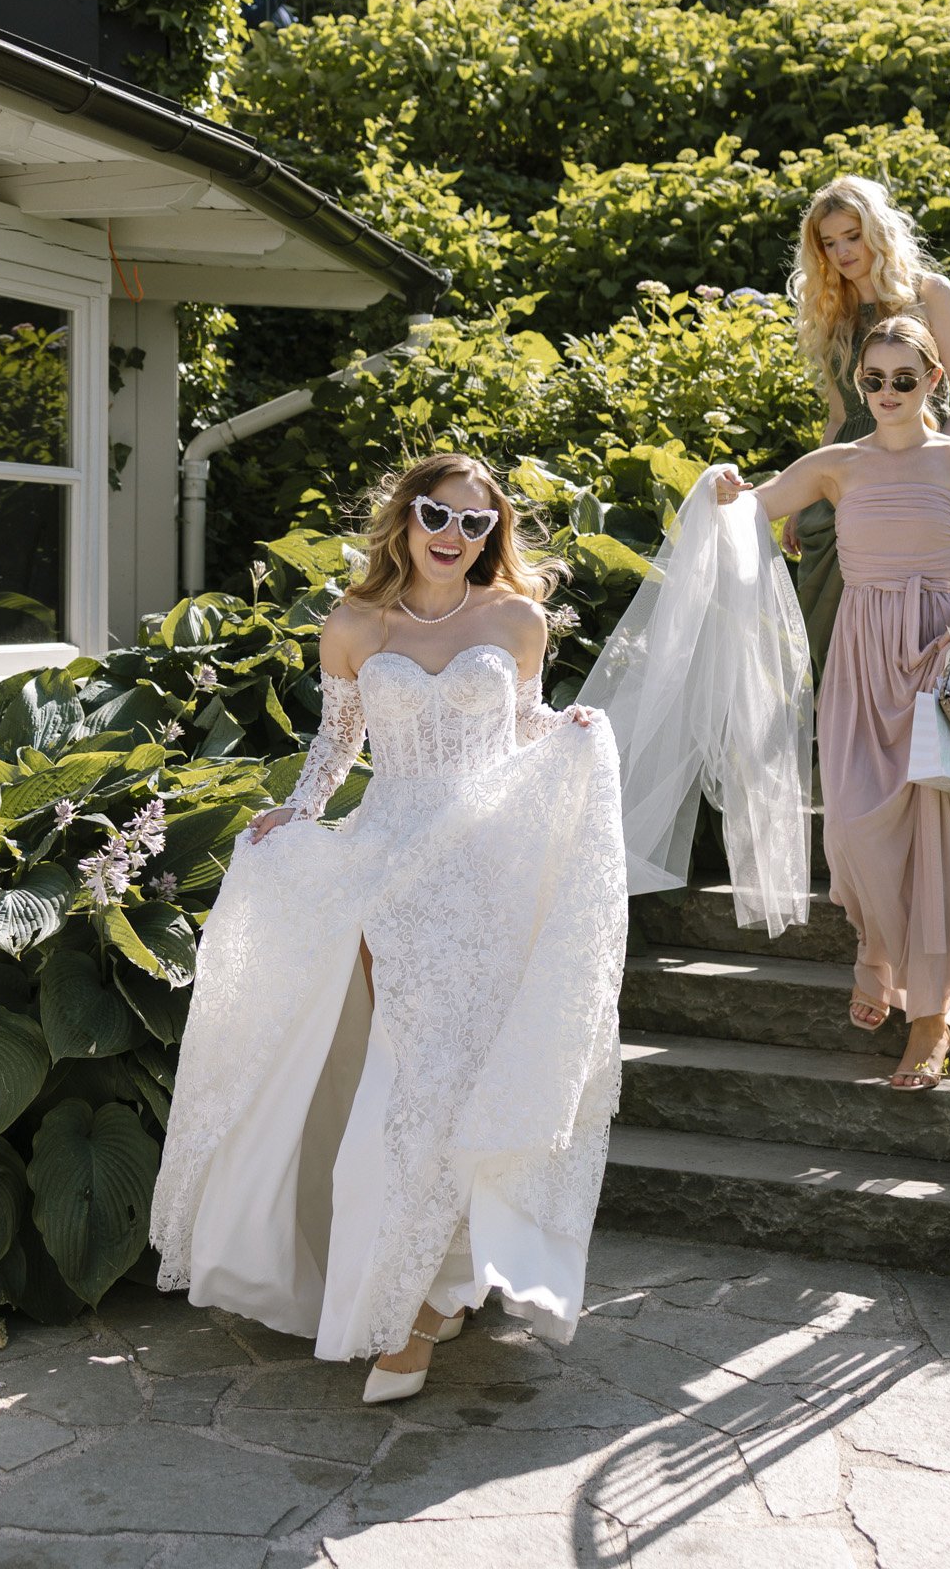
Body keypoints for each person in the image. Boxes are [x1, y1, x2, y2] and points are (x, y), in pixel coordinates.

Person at [150, 454, 627, 1404]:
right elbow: (338, 743)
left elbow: (522, 729)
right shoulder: (354, 624)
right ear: (403, 520)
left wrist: (566, 733)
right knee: (411, 1075)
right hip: (389, 859)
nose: (452, 536)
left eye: (474, 524)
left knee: (462, 1073)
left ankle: (427, 1300)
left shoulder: (517, 621)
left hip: (488, 872)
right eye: (434, 516)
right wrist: (296, 813)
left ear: (492, 536)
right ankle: (416, 1288)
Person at [715, 314, 950, 1090]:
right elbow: (750, 510)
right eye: (872, 381)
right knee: (852, 827)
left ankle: (928, 1025)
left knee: (935, 838)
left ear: (932, 383)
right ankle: (879, 959)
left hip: (937, 648)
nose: (886, 394)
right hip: (856, 657)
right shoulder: (834, 464)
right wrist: (724, 490)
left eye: (903, 380)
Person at [787, 176, 950, 697]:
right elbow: (836, 417)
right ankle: (843, 754)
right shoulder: (832, 310)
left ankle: (940, 759)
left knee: (933, 645)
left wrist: (934, 466)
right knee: (827, 630)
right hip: (848, 479)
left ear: (877, 230)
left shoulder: (928, 293)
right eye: (829, 243)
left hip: (925, 475)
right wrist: (802, 498)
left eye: (852, 235)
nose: (843, 251)